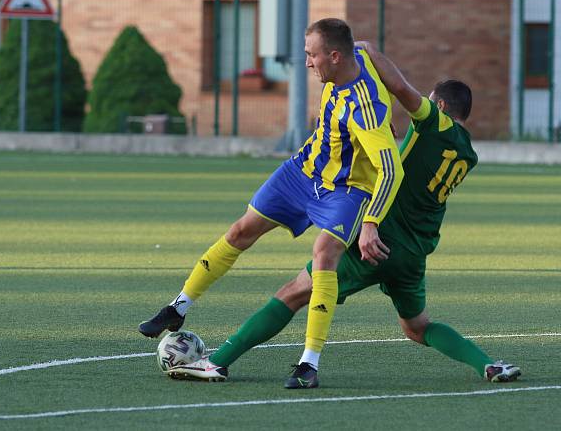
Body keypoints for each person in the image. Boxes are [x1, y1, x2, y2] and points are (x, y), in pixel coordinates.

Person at [166, 42, 521, 388]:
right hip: (414, 253)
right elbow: (409, 162)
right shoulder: (466, 153)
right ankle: (487, 364)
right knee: (416, 327)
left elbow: (398, 87)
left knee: (292, 294)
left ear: (440, 105)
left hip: (377, 240)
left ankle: (216, 362)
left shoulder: (435, 124)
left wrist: (365, 49)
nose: (423, 105)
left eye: (430, 101)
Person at [138, 19, 404, 380]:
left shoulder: (366, 110)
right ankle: (178, 307)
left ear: (335, 56)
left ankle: (309, 362)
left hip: (345, 189)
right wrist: (405, 92)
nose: (307, 62)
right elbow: (369, 47)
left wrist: (370, 222)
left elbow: (392, 170)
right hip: (302, 171)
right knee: (239, 232)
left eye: (312, 55)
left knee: (324, 256)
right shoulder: (355, 53)